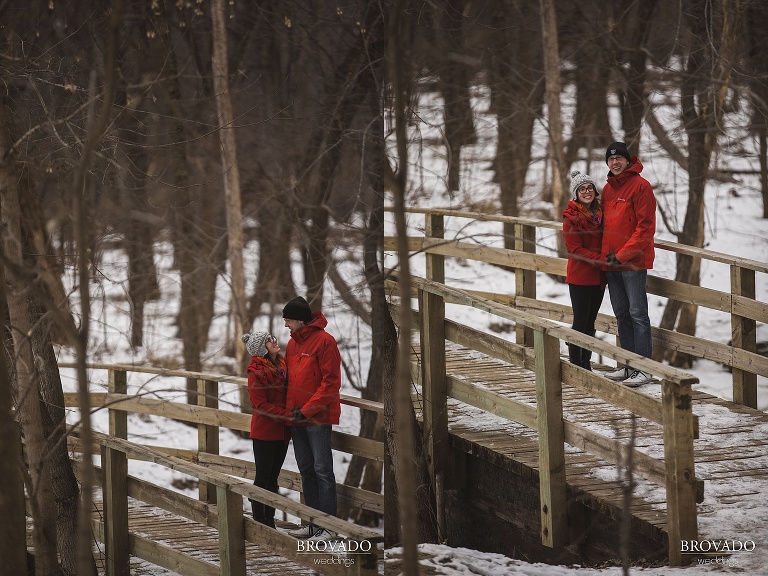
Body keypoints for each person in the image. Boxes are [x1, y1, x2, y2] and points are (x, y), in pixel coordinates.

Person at [281, 296, 341, 540]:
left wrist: (306, 410)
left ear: (300, 320)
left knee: (322, 470)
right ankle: (313, 524)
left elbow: (331, 383)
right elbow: (289, 380)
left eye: (288, 320)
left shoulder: (325, 342)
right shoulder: (292, 344)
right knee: (306, 470)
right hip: (296, 418)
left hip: (317, 417)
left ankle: (328, 527)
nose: (285, 324)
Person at [599, 142, 657, 387]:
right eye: (611, 160)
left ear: (627, 160)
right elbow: (602, 224)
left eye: (619, 159)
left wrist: (622, 255)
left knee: (637, 314)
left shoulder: (641, 186)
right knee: (621, 314)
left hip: (632, 262)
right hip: (611, 263)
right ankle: (628, 365)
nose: (615, 163)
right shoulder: (607, 189)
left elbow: (645, 228)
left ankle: (644, 369)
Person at [241, 331, 293, 528]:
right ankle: (259, 521)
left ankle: (269, 520)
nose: (274, 341)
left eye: (272, 337)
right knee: (263, 477)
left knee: (273, 478)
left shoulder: (283, 366)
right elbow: (260, 405)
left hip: (282, 430)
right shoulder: (255, 373)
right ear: (262, 349)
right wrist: (287, 414)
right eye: (269, 340)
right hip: (265, 431)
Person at [562, 170, 606, 371]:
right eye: (582, 189)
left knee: (591, 321)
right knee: (580, 321)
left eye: (589, 188)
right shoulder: (571, 218)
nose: (587, 192)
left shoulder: (601, 214)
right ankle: (575, 364)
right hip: (580, 275)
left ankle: (585, 363)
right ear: (576, 194)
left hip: (599, 276)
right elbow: (575, 250)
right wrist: (602, 259)